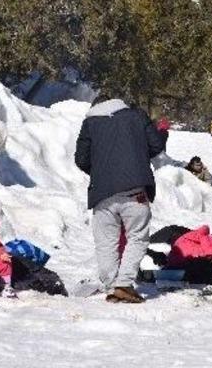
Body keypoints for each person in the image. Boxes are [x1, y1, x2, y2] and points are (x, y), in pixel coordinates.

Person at [74, 95, 169, 303]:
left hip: (102, 194)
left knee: (106, 242)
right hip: (134, 190)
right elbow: (155, 146)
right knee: (137, 237)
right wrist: (143, 150)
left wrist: (101, 172)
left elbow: (81, 160)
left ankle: (111, 285)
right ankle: (123, 284)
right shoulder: (137, 116)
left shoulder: (89, 123)